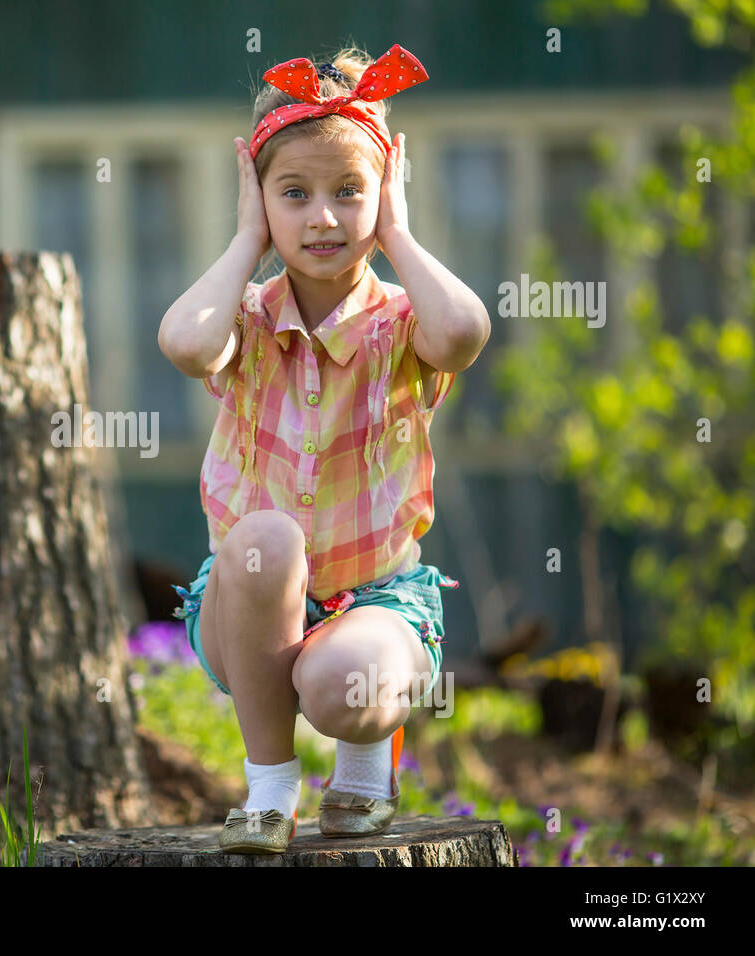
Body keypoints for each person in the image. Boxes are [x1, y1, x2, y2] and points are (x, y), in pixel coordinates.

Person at [157, 44, 490, 853]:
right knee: (268, 537)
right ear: (261, 198)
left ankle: (364, 774)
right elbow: (183, 343)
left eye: (351, 193)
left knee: (345, 684)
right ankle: (268, 792)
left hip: (376, 605)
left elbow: (467, 330)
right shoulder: (249, 321)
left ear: (383, 195)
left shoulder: (402, 326)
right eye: (293, 194)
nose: (324, 217)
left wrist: (401, 232)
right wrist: (245, 241)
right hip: (247, 613)